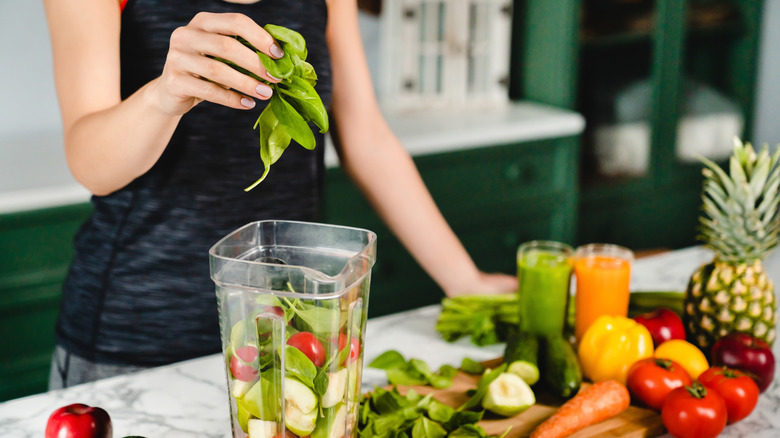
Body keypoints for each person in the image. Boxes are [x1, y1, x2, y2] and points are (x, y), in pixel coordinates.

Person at [42, 0, 518, 389]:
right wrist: (162, 96)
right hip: (135, 342)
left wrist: (464, 279)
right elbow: (90, 163)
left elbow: (367, 138)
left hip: (285, 333)